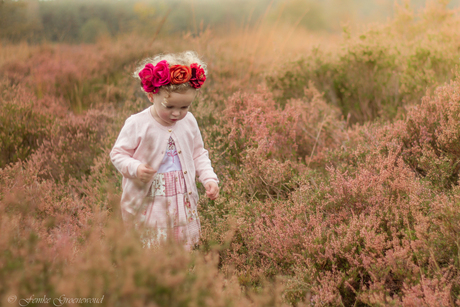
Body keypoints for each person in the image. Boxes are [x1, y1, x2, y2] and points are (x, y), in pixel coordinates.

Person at [110, 51, 219, 250]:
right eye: (169, 107)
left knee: (182, 240)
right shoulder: (138, 123)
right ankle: (154, 273)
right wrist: (135, 168)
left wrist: (209, 178)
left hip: (182, 193)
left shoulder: (189, 121)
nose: (177, 113)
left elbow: (198, 153)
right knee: (152, 242)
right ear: (151, 96)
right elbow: (118, 154)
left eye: (185, 106)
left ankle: (181, 270)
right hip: (151, 197)